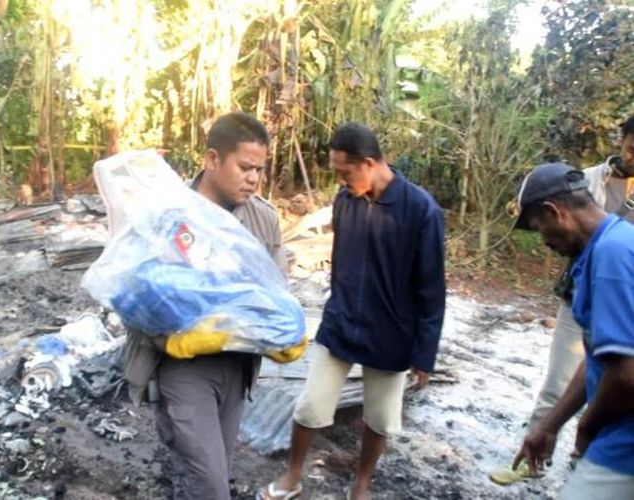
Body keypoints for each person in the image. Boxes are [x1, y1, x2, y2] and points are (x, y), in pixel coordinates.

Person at [258, 122, 446, 500]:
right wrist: (334, 310)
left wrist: (425, 353)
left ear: (371, 163)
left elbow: (431, 289)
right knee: (310, 406)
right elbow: (341, 263)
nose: (341, 181)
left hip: (391, 334)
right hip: (342, 324)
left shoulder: (421, 210)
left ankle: (360, 487)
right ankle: (292, 478)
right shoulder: (346, 203)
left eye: (345, 172)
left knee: (378, 419)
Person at [123, 111, 288, 500]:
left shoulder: (263, 220)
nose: (253, 178)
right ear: (212, 159)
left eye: (259, 170)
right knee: (212, 486)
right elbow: (133, 294)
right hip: (184, 368)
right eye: (245, 167)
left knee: (208, 476)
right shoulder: (166, 214)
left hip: (239, 366)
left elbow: (277, 292)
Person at [490, 115, 634, 484]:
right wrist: (550, 427)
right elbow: (601, 355)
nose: (544, 242)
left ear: (556, 213)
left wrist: (586, 428)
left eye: (540, 229)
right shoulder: (605, 247)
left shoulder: (612, 257)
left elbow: (626, 375)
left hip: (621, 446)